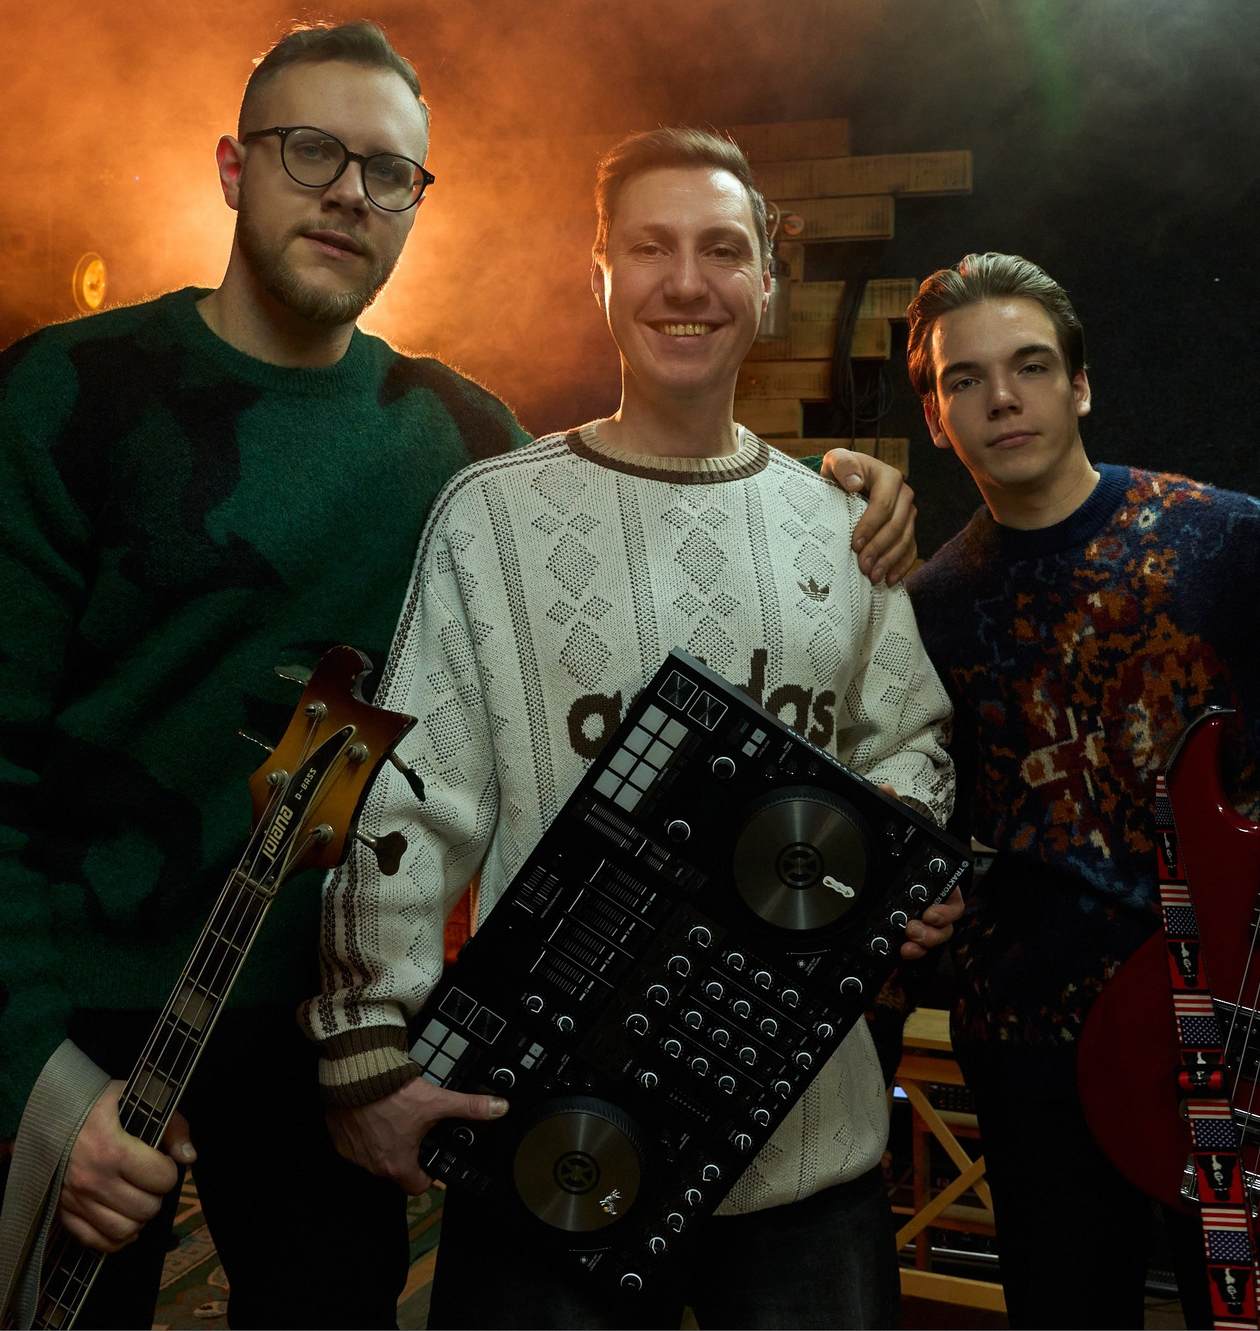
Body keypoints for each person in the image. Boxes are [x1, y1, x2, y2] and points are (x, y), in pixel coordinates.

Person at [0, 23, 917, 1328]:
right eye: (311, 151)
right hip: (79, 1018)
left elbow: (629, 547)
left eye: (389, 172)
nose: (349, 194)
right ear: (234, 168)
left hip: (323, 1034)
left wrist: (831, 503)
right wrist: (31, 1069)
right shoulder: (62, 396)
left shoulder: (459, 439)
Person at [305, 127, 962, 1330]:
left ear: (768, 281)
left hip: (808, 1157)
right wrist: (365, 1039)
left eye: (722, 249)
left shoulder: (841, 525)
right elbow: (413, 794)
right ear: (600, 274)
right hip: (550, 1145)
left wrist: (897, 850)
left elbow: (907, 738)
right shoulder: (493, 518)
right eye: (651, 248)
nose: (687, 282)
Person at [902, 253, 1260, 1329]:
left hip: (1237, 1014)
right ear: (938, 419)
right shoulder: (928, 606)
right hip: (1035, 1040)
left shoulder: (1228, 536)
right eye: (965, 380)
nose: (1002, 398)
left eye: (1032, 365)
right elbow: (930, 800)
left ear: (1081, 384)